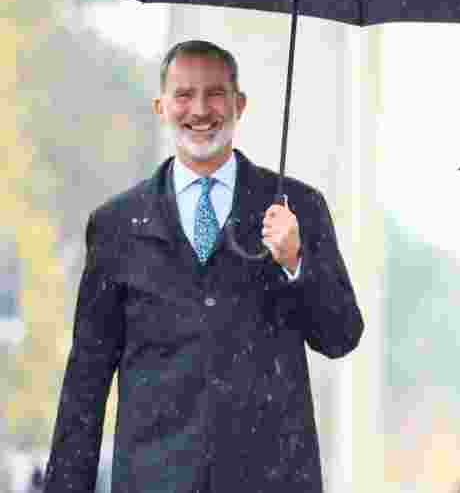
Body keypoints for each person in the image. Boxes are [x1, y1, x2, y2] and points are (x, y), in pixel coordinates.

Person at [42, 40, 364, 493]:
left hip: (270, 478)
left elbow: (341, 335)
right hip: (155, 479)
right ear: (161, 106)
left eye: (215, 94)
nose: (200, 109)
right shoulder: (117, 227)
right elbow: (86, 381)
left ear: (240, 104)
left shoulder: (298, 209)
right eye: (183, 95)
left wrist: (296, 261)